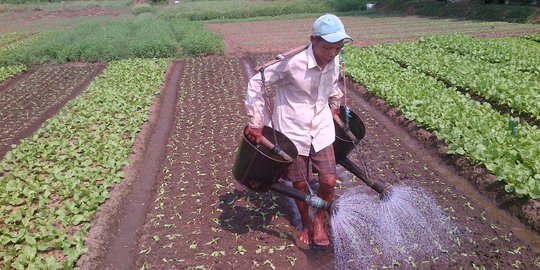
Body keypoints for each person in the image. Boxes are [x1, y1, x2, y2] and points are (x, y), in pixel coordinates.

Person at [244, 14, 352, 246]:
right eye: (327, 48)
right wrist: (256, 121)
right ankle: (306, 222)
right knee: (300, 184)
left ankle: (319, 221)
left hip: (321, 128)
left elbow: (332, 86)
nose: (332, 53)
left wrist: (333, 106)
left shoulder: (333, 61)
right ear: (313, 40)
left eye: (338, 48)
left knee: (329, 181)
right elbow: (256, 81)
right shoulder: (292, 64)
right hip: (292, 131)